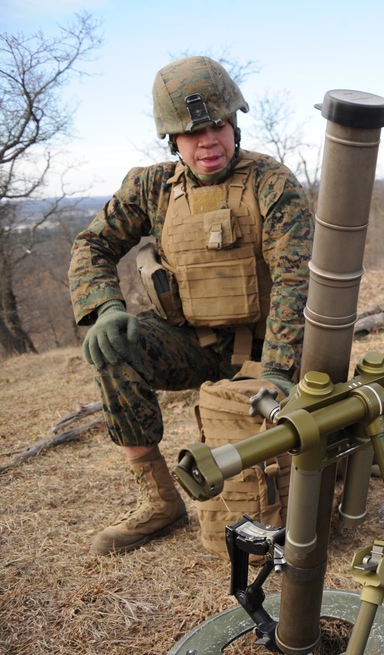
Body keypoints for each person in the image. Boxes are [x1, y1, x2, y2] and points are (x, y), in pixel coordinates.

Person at [68, 56, 313, 556]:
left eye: (217, 125)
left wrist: (281, 372)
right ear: (171, 139)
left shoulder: (272, 182)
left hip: (271, 350)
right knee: (112, 349)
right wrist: (105, 310)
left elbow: (294, 280)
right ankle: (159, 501)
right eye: (191, 131)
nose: (208, 141)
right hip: (190, 343)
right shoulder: (151, 187)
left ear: (234, 122)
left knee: (306, 462)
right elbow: (91, 245)